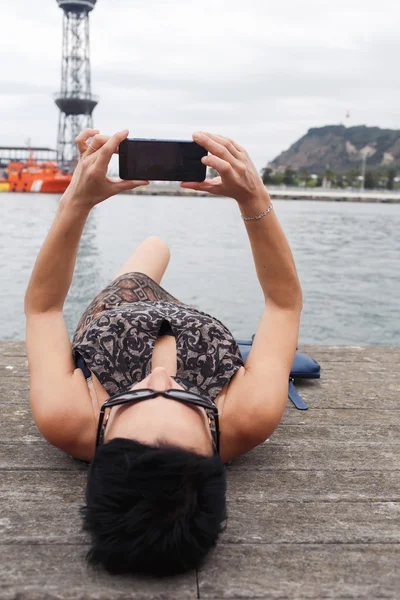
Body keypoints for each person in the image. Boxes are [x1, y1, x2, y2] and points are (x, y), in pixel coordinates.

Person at [24, 128, 302, 576]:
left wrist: (78, 199)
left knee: (153, 247)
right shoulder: (249, 414)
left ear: (104, 437)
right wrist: (253, 199)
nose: (159, 377)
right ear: (213, 452)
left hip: (119, 309)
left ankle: (135, 273)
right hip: (189, 319)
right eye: (182, 397)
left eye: (131, 397)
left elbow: (42, 308)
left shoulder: (67, 415)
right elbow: (283, 303)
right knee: (159, 245)